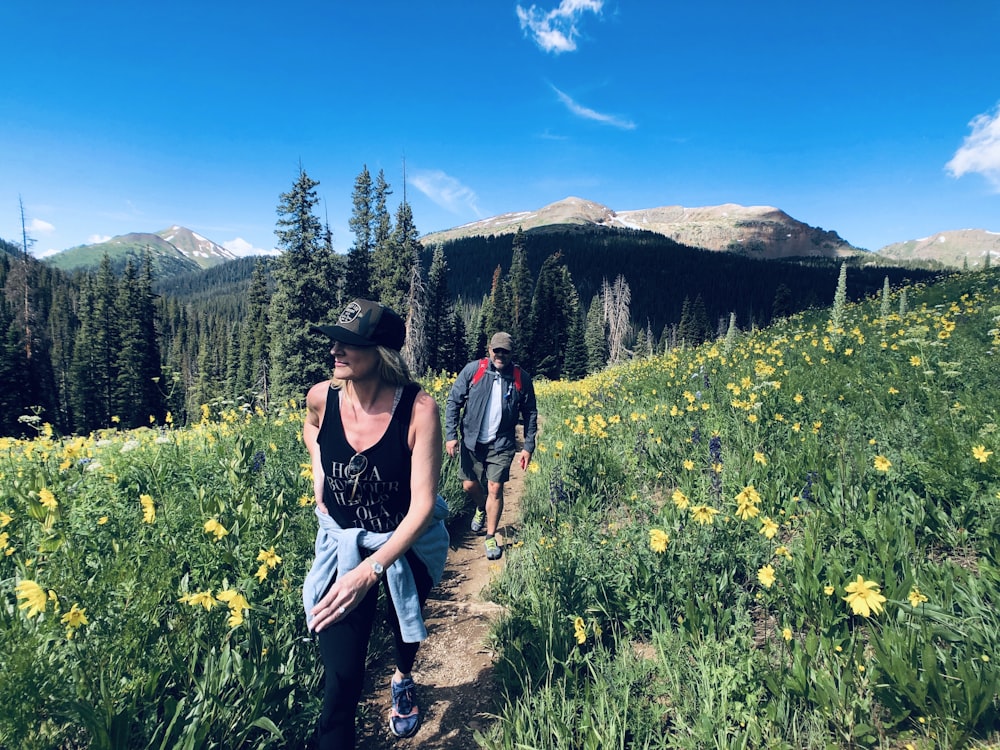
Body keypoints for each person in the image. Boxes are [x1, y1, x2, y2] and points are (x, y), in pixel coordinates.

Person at [302, 298, 449, 747]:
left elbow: (423, 506)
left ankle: (402, 676)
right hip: (343, 548)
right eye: (334, 341)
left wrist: (372, 570)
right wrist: (319, 466)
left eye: (349, 343)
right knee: (340, 685)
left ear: (382, 353)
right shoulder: (321, 397)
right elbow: (311, 428)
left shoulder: (418, 409)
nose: (335, 351)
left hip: (406, 544)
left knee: (404, 623)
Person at [444, 331, 538, 560]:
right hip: (471, 440)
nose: (500, 355)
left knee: (495, 488)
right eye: (497, 350)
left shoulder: (521, 378)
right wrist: (450, 435)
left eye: (505, 351)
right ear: (489, 350)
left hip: (502, 443)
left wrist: (527, 446)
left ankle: (490, 536)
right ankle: (480, 506)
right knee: (468, 485)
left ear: (511, 353)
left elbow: (530, 413)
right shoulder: (474, 370)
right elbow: (454, 401)